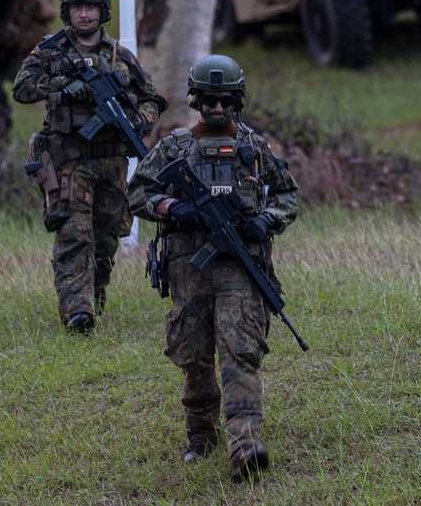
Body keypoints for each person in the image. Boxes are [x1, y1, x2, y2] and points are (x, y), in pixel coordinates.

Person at [127, 54, 298, 481]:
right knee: (195, 357)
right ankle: (201, 435)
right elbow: (137, 193)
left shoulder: (255, 148)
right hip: (189, 269)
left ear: (236, 99)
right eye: (209, 100)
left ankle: (245, 446)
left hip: (240, 265)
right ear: (196, 99)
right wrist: (173, 207)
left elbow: (288, 197)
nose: (217, 108)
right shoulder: (175, 146)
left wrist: (265, 219)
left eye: (224, 100)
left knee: (239, 352)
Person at [12, 0, 166, 333]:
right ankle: (77, 312)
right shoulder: (50, 51)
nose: (84, 15)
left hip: (112, 162)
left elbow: (153, 99)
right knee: (74, 233)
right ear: (68, 11)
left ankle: (93, 300)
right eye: (78, 7)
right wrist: (64, 87)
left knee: (106, 239)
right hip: (68, 159)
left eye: (91, 7)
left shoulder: (120, 57)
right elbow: (22, 88)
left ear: (102, 11)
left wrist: (138, 121)